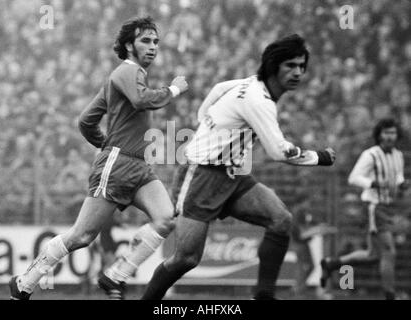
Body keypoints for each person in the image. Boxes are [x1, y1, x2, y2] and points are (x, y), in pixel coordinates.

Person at [141, 34, 336, 300]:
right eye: (290, 65)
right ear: (273, 66)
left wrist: (203, 116)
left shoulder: (250, 85)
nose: (298, 72)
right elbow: (279, 151)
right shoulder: (258, 100)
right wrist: (320, 157)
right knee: (186, 259)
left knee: (281, 220)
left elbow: (220, 87)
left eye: (302, 66)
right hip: (201, 175)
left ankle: (264, 295)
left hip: (234, 176)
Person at [9, 16, 188, 300]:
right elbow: (142, 100)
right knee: (81, 236)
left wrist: (107, 144)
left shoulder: (123, 79)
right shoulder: (127, 71)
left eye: (155, 42)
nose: (153, 47)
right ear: (129, 45)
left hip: (139, 166)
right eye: (145, 41)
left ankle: (114, 276)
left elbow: (85, 121)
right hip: (119, 166)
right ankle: (26, 281)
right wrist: (174, 89)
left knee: (166, 219)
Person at [320, 118, 408, 300]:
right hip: (375, 207)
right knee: (389, 252)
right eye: (386, 132)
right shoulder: (371, 155)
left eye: (393, 133)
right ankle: (390, 296)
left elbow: (397, 177)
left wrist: (402, 184)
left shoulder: (398, 155)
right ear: (379, 134)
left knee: (373, 255)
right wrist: (374, 183)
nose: (390, 136)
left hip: (389, 207)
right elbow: (354, 177)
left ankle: (331, 263)